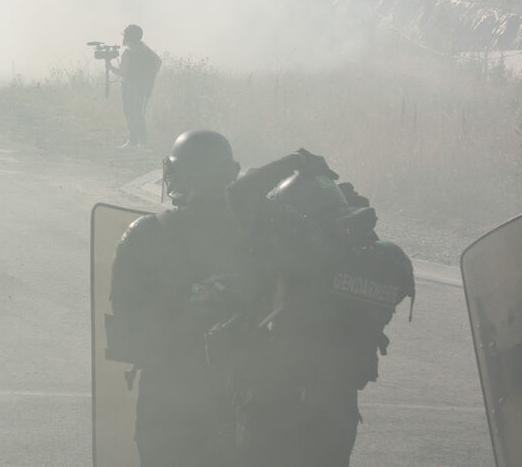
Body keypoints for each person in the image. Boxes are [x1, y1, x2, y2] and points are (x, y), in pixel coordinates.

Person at [223, 149, 415, 467]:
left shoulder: (290, 244)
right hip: (336, 406)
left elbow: (238, 193)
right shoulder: (370, 257)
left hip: (274, 401)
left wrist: (293, 161)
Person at [108, 130, 243, 467]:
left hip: (167, 395)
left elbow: (125, 318)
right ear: (229, 174)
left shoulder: (146, 234)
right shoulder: (260, 235)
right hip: (239, 397)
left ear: (177, 174)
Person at [109, 24, 161, 150]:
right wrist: (149, 76)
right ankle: (143, 142)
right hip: (144, 87)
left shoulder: (128, 53)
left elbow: (123, 72)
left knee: (130, 113)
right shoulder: (146, 50)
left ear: (128, 37)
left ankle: (133, 142)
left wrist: (110, 67)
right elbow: (158, 62)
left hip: (130, 87)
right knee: (139, 114)